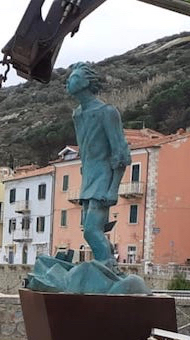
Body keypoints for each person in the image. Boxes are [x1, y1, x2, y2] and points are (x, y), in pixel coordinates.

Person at [66, 62, 131, 268]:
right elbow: (84, 150)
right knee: (90, 228)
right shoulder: (78, 114)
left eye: (74, 78)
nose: (69, 81)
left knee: (91, 230)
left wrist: (113, 189)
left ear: (87, 82)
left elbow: (120, 152)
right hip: (89, 177)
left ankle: (107, 266)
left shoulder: (107, 112)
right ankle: (106, 264)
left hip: (103, 177)